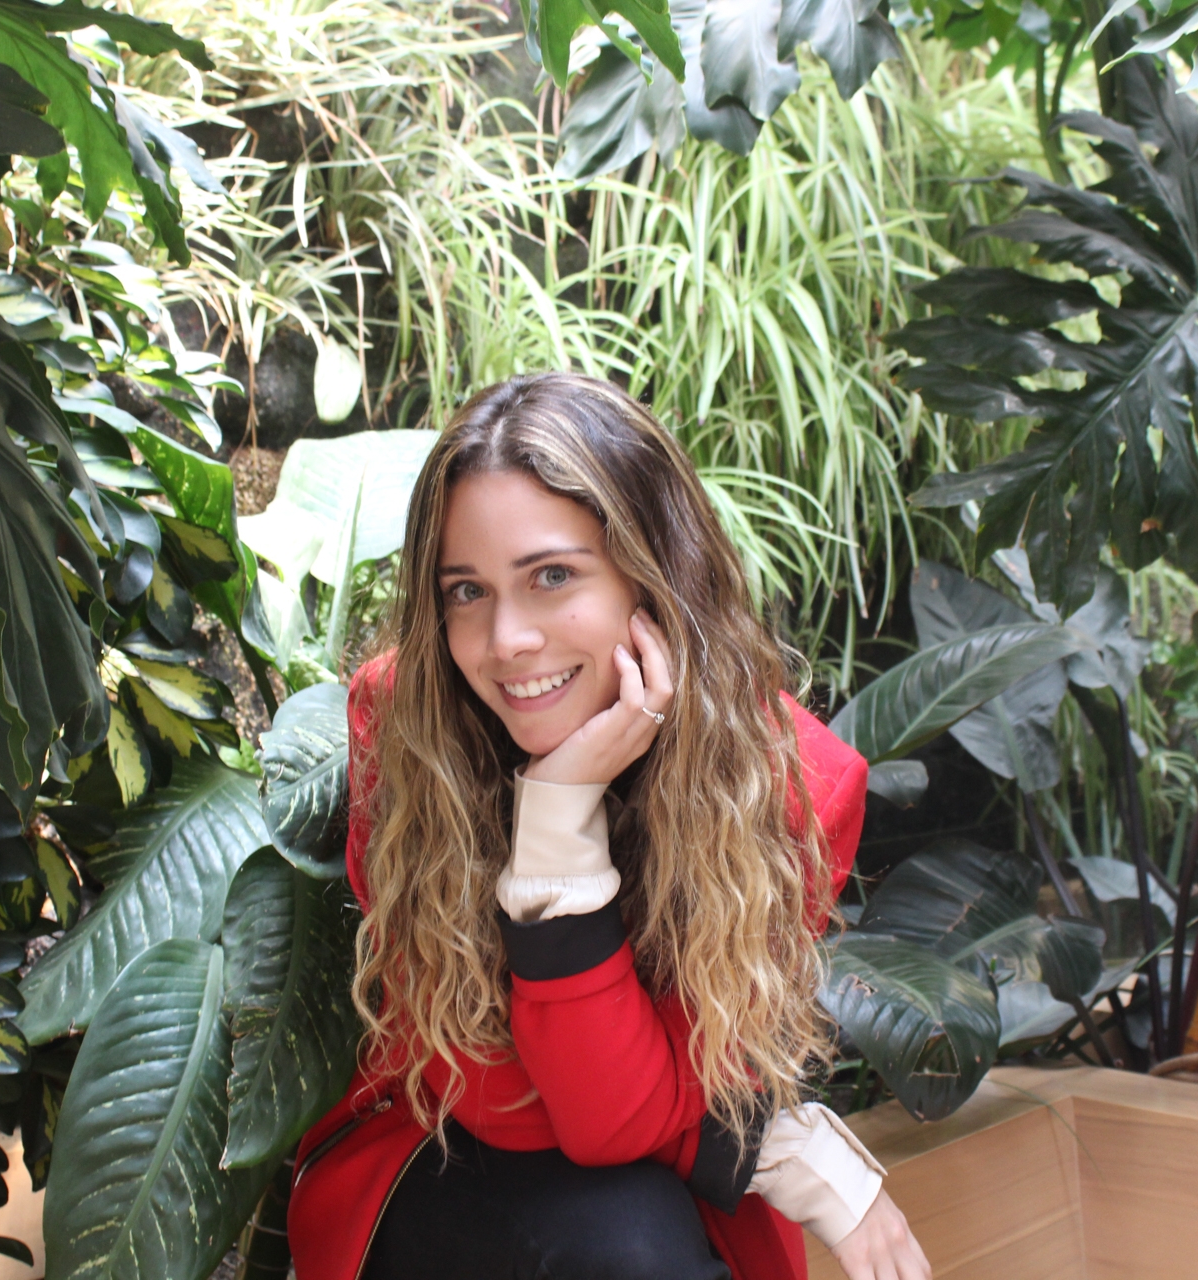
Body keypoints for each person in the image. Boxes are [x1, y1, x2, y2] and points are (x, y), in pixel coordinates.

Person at [285, 374, 931, 1280]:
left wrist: (558, 817)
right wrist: (759, 1147)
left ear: (652, 573)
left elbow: (617, 1120)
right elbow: (487, 1088)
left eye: (552, 576)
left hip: (639, 1189)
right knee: (631, 1249)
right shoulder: (406, 721)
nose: (506, 639)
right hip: (432, 1146)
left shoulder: (792, 789)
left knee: (638, 1246)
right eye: (467, 591)